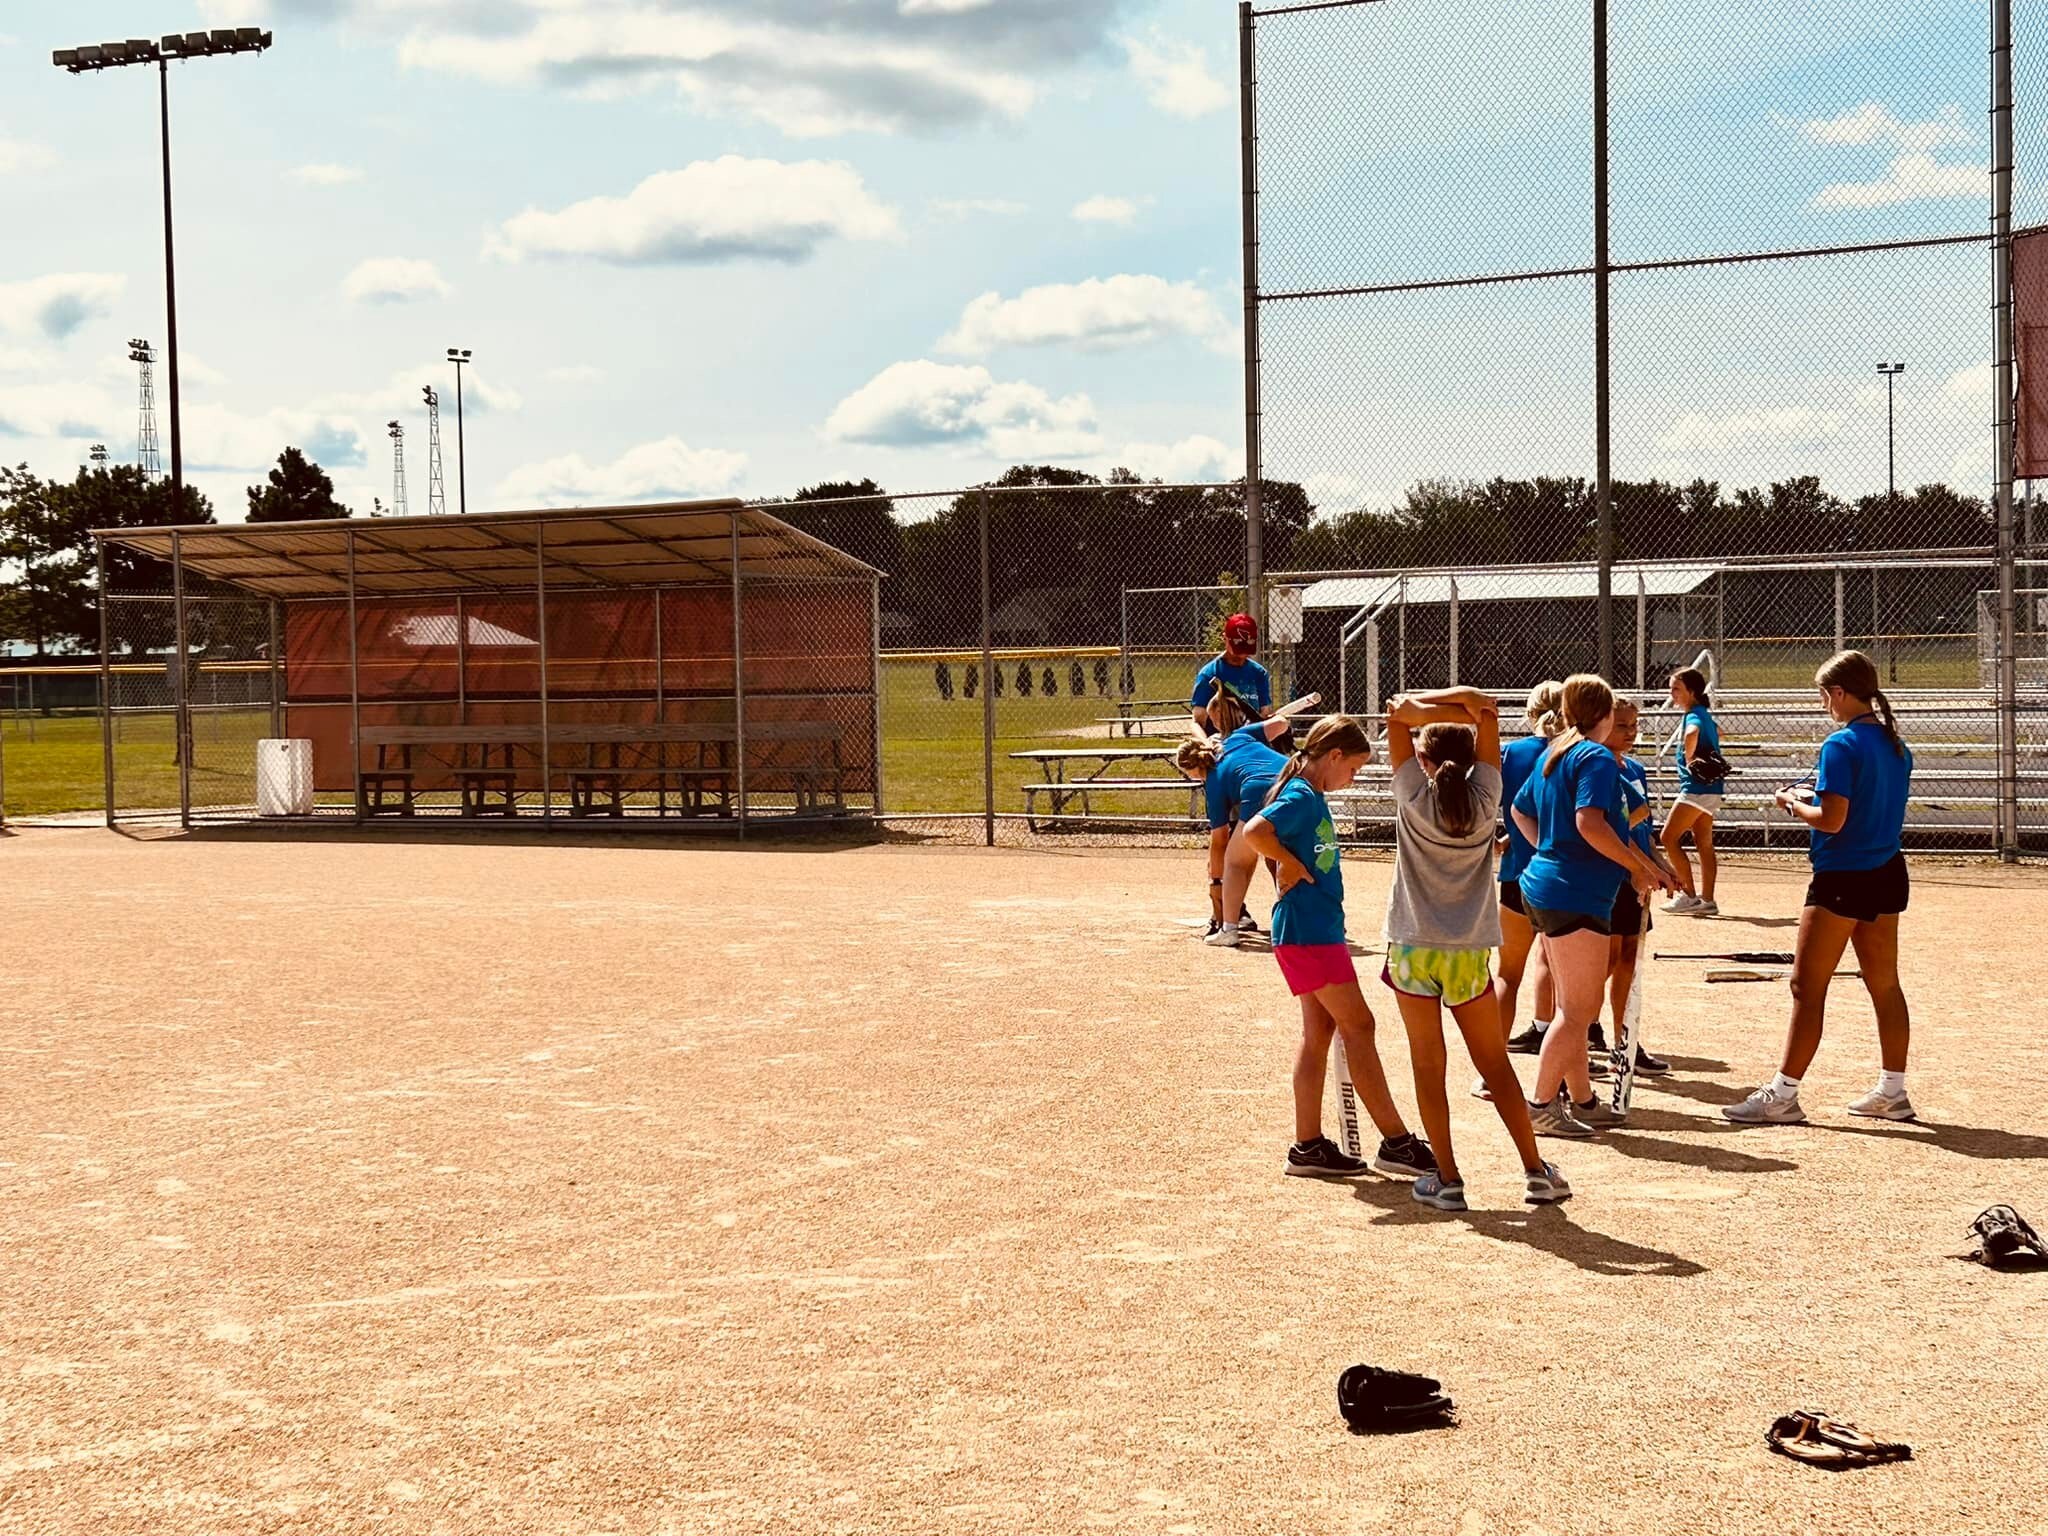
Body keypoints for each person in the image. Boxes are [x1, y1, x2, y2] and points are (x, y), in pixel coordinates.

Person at [1382, 688, 1571, 1210]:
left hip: (1413, 947)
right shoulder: (1488, 793)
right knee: (1494, 1064)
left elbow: (1396, 714)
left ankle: (1447, 1178)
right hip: (1468, 951)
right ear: (1471, 758)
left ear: (1422, 759)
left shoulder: (1412, 797)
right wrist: (1450, 711)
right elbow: (1484, 707)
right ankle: (1535, 1171)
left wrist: (1421, 715)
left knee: (1428, 1065)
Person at [1239, 716, 1437, 1180]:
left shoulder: (1310, 793)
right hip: (1309, 932)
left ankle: (1307, 1146)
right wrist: (1287, 863)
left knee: (1319, 1034)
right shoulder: (1303, 795)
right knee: (1360, 1025)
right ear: (1332, 756)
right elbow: (1254, 832)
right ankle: (1396, 1142)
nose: (1353, 778)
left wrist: (1288, 862)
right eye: (1353, 768)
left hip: (1312, 928)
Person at [1724, 651, 1915, 1125]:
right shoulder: (1895, 744)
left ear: (1838, 693)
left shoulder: (1841, 744)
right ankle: (1893, 1090)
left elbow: (1831, 820)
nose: (1824, 705)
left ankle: (1783, 1094)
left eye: (1824, 695)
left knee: (1807, 986)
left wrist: (1790, 802)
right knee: (1884, 983)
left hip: (1843, 876)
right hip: (1886, 870)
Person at [1510, 675, 1677, 1138]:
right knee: (1578, 1011)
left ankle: (1581, 1098)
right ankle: (1541, 1105)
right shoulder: (1596, 756)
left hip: (1550, 887)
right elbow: (1590, 823)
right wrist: (1635, 868)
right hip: (1574, 894)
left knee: (1573, 1005)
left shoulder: (1555, 751)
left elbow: (1521, 811)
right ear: (1603, 715)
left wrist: (1547, 849)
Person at [1207, 690, 1332, 947]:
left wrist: (1215, 882)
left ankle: (1229, 929)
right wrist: (1266, 720)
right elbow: (1282, 723)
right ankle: (1319, 923)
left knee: (1238, 861)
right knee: (1302, 856)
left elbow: (1219, 839)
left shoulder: (1215, 773)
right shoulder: (1244, 734)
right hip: (1299, 782)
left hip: (1261, 791)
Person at [1599, 699, 1672, 1076]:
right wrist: (1639, 868)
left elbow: (1642, 830)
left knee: (1630, 959)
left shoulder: (1636, 769)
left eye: (1634, 724)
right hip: (1611, 876)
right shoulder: (1596, 766)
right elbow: (1610, 832)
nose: (1631, 732)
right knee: (1605, 961)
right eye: (1622, 725)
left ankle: (1624, 1041)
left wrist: (1660, 865)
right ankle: (1584, 1032)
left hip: (1636, 877)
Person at [1499, 682, 1563, 1061]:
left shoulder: (1512, 754)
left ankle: (1492, 1069)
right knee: (1566, 977)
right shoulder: (1575, 754)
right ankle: (1570, 1065)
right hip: (1563, 877)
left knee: (1508, 974)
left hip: (1517, 872)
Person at [1661, 666, 1724, 916]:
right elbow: (1718, 731)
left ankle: (1688, 894)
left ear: (1692, 691)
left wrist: (1689, 758)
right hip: (1711, 789)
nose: (1672, 694)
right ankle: (1707, 900)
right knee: (1704, 843)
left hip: (1696, 789)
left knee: (1668, 838)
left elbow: (1693, 732)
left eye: (1676, 689)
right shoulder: (1702, 712)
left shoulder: (1693, 716)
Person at [1190, 613, 1273, 735]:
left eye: (1247, 649)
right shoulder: (1210, 674)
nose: (1242, 655)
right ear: (1225, 638)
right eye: (1238, 649)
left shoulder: (1259, 673)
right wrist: (1207, 744)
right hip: (1220, 741)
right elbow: (1198, 721)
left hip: (1250, 740)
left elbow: (1264, 713)